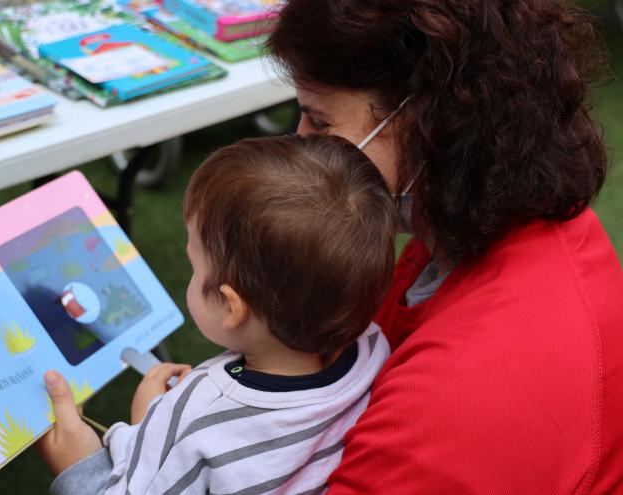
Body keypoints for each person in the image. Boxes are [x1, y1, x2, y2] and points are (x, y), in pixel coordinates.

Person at [262, 0, 623, 493]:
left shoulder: (462, 397)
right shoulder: (494, 224)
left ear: (434, 123)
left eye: (321, 123)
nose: (300, 142)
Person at [35, 135, 398, 494]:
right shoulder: (371, 347)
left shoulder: (196, 416)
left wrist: (83, 463)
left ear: (231, 305)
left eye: (194, 264)